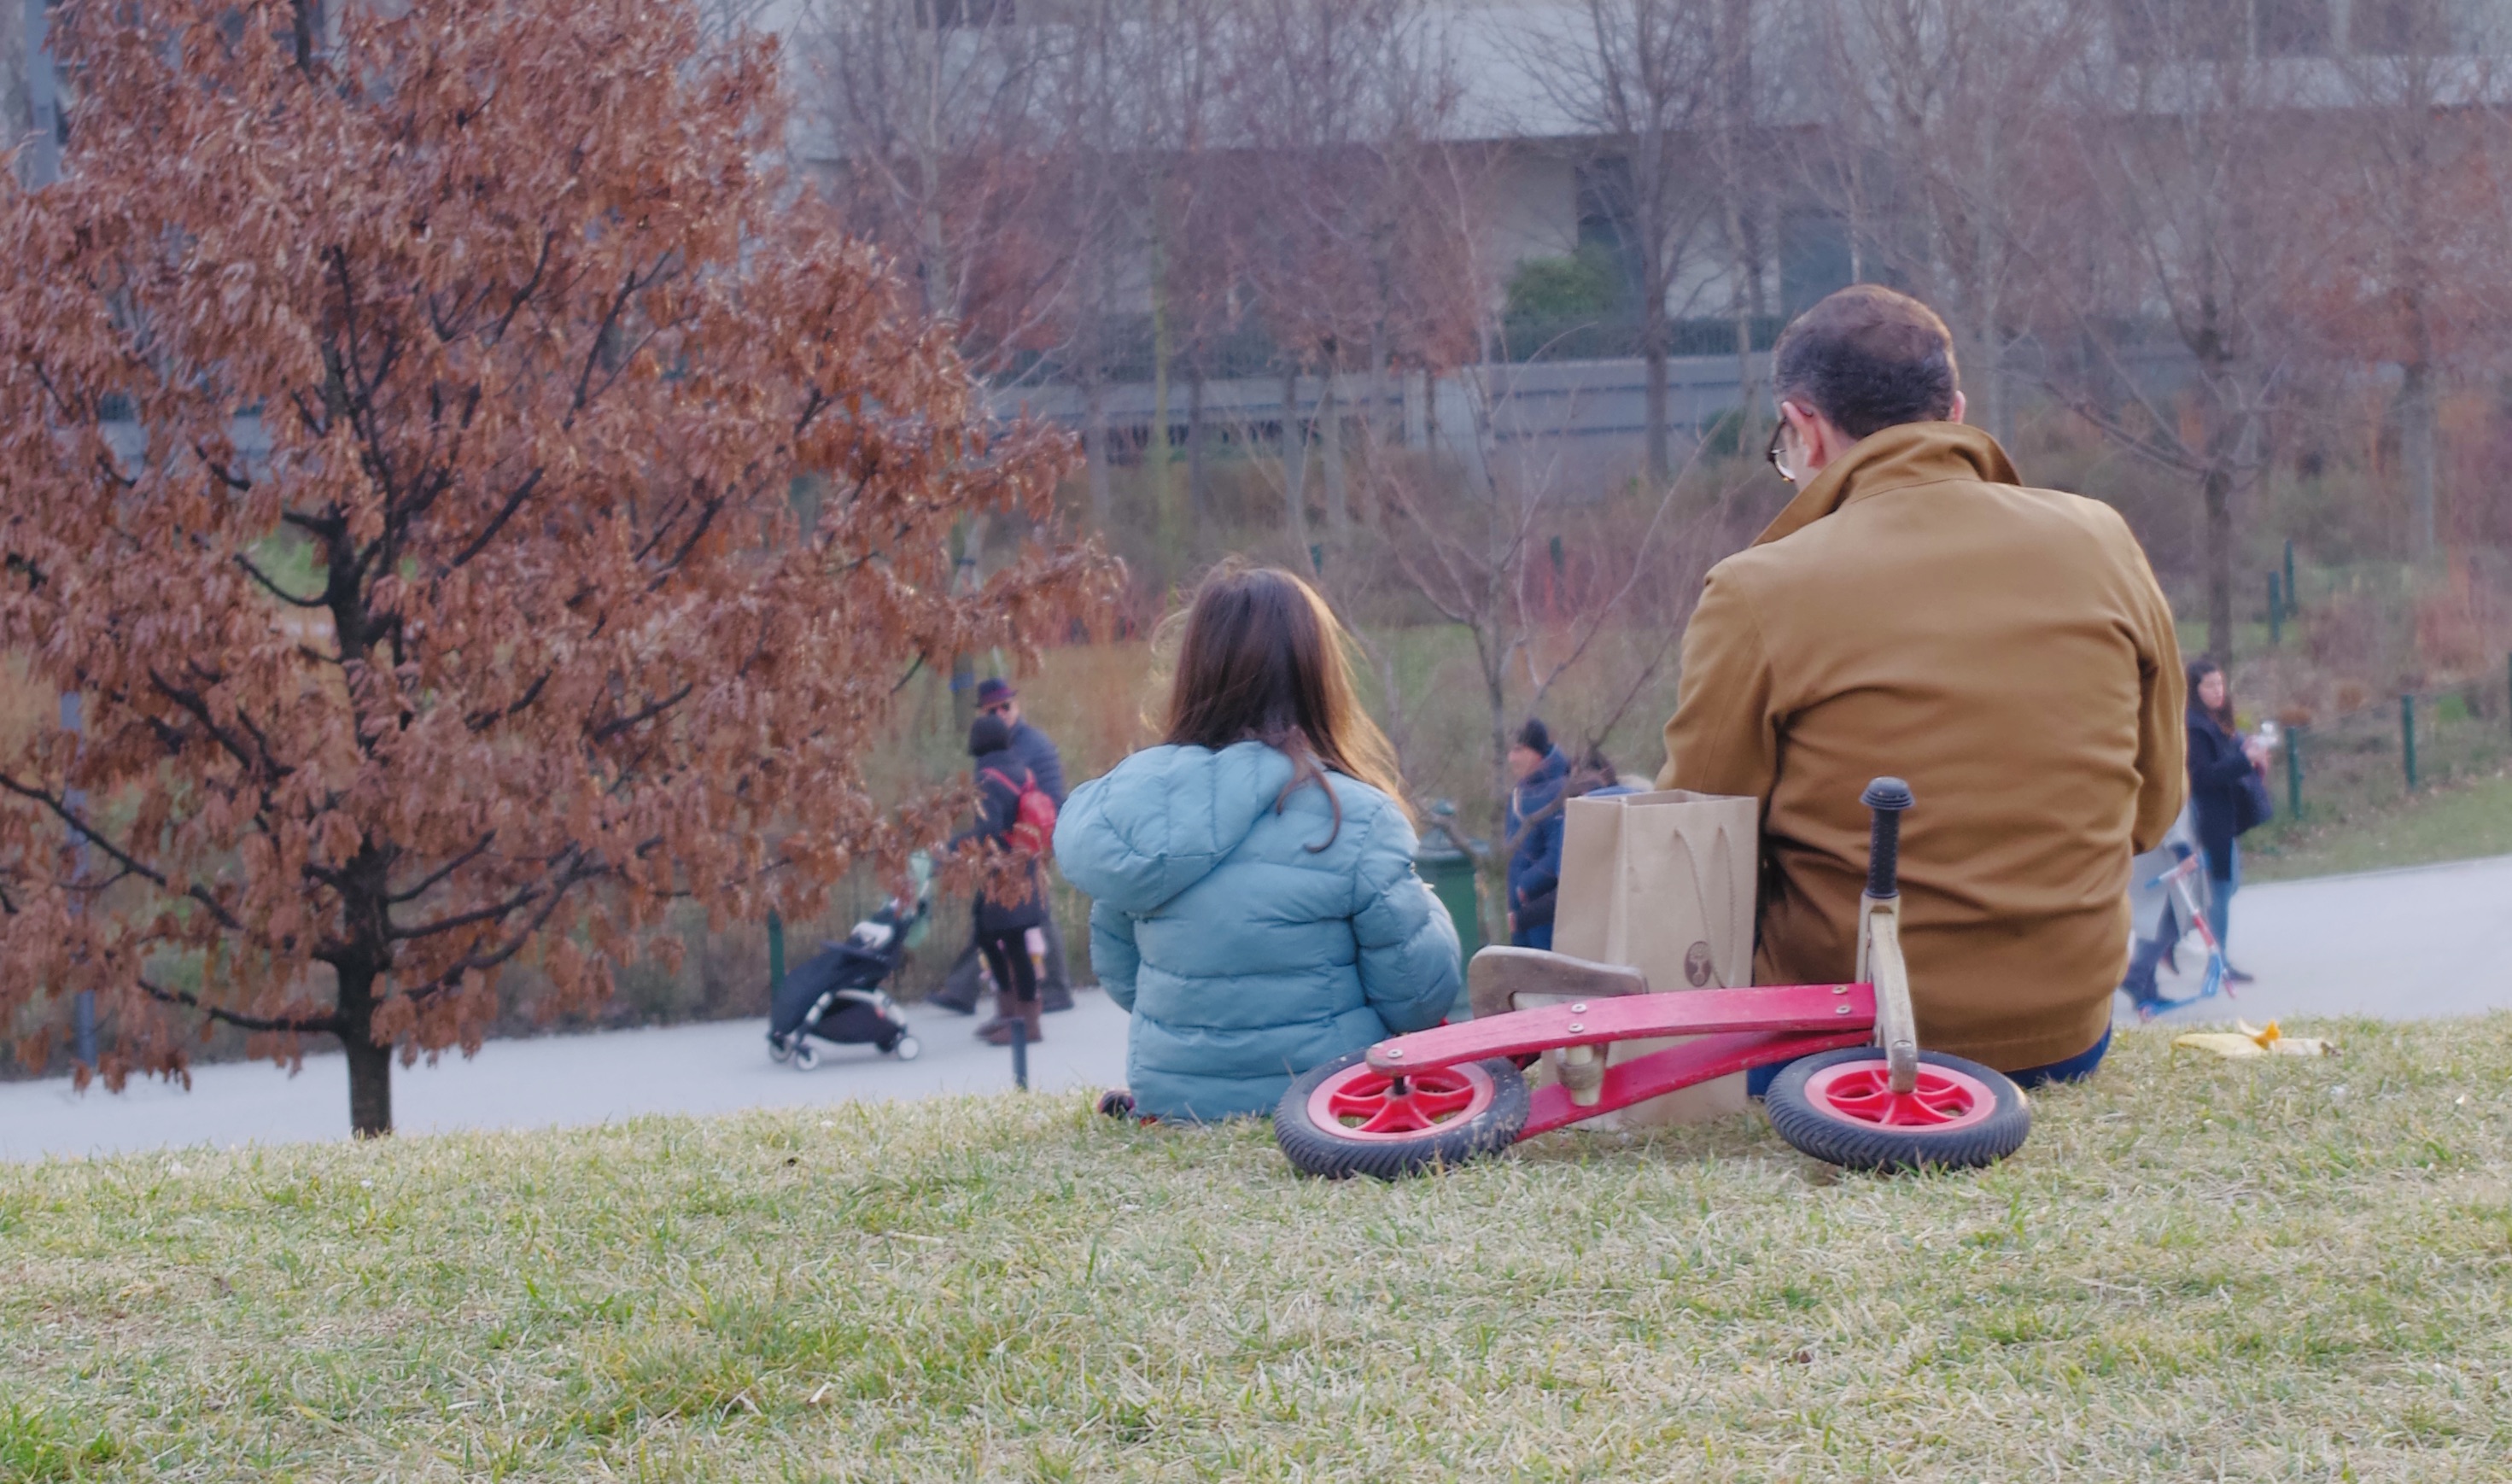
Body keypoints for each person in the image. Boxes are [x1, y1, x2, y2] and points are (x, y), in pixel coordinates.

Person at [1658, 283, 2185, 1090]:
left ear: (1803, 429)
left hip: (1841, 1048)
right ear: (1956, 411)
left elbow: (1691, 853)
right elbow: (2154, 813)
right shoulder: (2103, 540)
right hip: (2066, 1033)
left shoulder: (1756, 590)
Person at [1053, 563, 1462, 1122]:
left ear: (1193, 674)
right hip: (1331, 1099)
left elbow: (1127, 978)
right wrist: (1429, 908)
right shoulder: (1357, 820)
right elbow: (1417, 996)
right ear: (1319, 679)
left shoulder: (1145, 818)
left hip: (1178, 1103)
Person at [934, 676, 1077, 1020]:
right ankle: (966, 990)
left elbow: (1052, 797)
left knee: (1028, 914)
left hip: (1032, 839)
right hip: (1009, 844)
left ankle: (1051, 992)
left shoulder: (1035, 745)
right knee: (999, 916)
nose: (1000, 714)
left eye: (1005, 707)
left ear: (1017, 705)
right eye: (991, 710)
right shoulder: (993, 745)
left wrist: (1040, 840)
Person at [955, 712, 1049, 1048]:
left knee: (1012, 943)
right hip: (1023, 865)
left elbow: (988, 830)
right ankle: (1011, 1014)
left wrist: (954, 845)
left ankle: (1026, 1022)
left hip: (1004, 870)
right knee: (993, 935)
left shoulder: (988, 777)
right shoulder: (1019, 768)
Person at [2184, 659, 2267, 984]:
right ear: (2196, 689)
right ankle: (2218, 962)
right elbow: (2203, 776)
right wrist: (2244, 760)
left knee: (2228, 886)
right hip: (2208, 818)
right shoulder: (2194, 726)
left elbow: (2227, 758)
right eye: (2210, 685)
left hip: (2224, 816)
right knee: (2220, 889)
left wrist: (2246, 750)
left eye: (2220, 684)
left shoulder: (2213, 721)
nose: (2219, 691)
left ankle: (2201, 950)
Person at [1504, 719, 1570, 950]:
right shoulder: (1518, 794)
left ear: (1536, 753)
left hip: (1544, 917)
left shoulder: (1559, 793)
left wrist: (1522, 888)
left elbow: (1557, 857)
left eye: (1518, 750)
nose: (1512, 758)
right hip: (1517, 916)